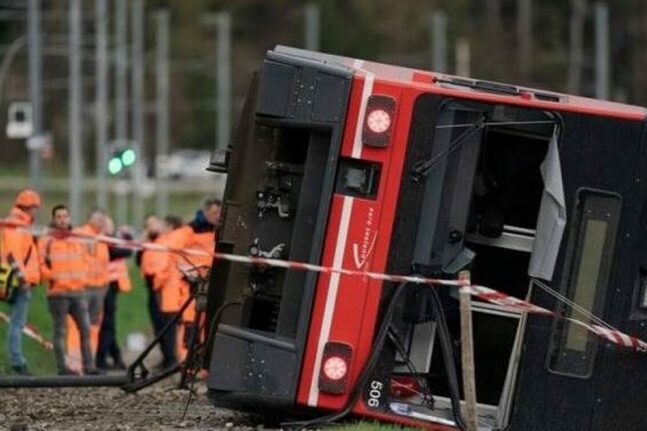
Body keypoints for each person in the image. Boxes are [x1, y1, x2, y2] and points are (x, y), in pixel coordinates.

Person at [38, 204, 96, 375]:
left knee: (85, 329)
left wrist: (83, 278)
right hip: (58, 293)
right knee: (60, 331)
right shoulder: (46, 240)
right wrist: (53, 277)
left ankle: (89, 366)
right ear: (54, 219)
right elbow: (41, 264)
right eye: (59, 217)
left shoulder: (77, 238)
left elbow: (86, 259)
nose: (63, 220)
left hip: (78, 291)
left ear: (69, 218)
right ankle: (62, 368)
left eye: (65, 216)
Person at [1, 189, 42, 375]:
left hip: (10, 279)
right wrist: (23, 278)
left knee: (16, 322)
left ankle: (16, 360)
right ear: (29, 208)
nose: (37, 212)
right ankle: (17, 362)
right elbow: (12, 254)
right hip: (16, 282)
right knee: (17, 323)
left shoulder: (16, 224)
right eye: (35, 208)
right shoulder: (18, 226)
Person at [178, 198, 221, 355]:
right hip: (192, 284)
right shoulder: (190, 230)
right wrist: (189, 273)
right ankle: (186, 362)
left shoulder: (217, 231)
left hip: (208, 282)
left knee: (205, 323)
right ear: (206, 212)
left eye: (219, 213)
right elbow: (176, 254)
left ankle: (198, 360)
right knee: (190, 323)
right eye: (214, 212)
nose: (217, 216)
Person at [96, 219, 132, 370]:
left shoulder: (108, 241)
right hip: (105, 287)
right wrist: (127, 238)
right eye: (109, 226)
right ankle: (102, 359)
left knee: (108, 324)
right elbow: (126, 251)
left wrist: (126, 236)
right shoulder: (104, 243)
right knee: (107, 324)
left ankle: (115, 357)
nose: (112, 228)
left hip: (110, 287)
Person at [73, 208, 110, 353]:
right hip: (84, 286)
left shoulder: (102, 238)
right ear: (89, 219)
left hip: (99, 288)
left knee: (94, 325)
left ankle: (90, 359)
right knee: (80, 324)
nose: (101, 222)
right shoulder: (80, 234)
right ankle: (76, 359)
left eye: (103, 220)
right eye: (98, 219)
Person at [152, 215, 186, 369]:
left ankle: (172, 360)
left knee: (170, 328)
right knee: (180, 327)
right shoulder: (183, 238)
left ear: (171, 226)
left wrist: (156, 283)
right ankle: (177, 359)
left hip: (170, 290)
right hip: (180, 289)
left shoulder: (169, 242)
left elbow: (163, 267)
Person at [136, 215, 165, 358]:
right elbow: (138, 261)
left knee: (164, 322)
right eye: (149, 225)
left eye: (154, 224)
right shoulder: (146, 243)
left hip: (163, 288)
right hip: (151, 287)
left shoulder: (165, 240)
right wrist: (144, 238)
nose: (152, 228)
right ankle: (164, 354)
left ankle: (169, 356)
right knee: (156, 322)